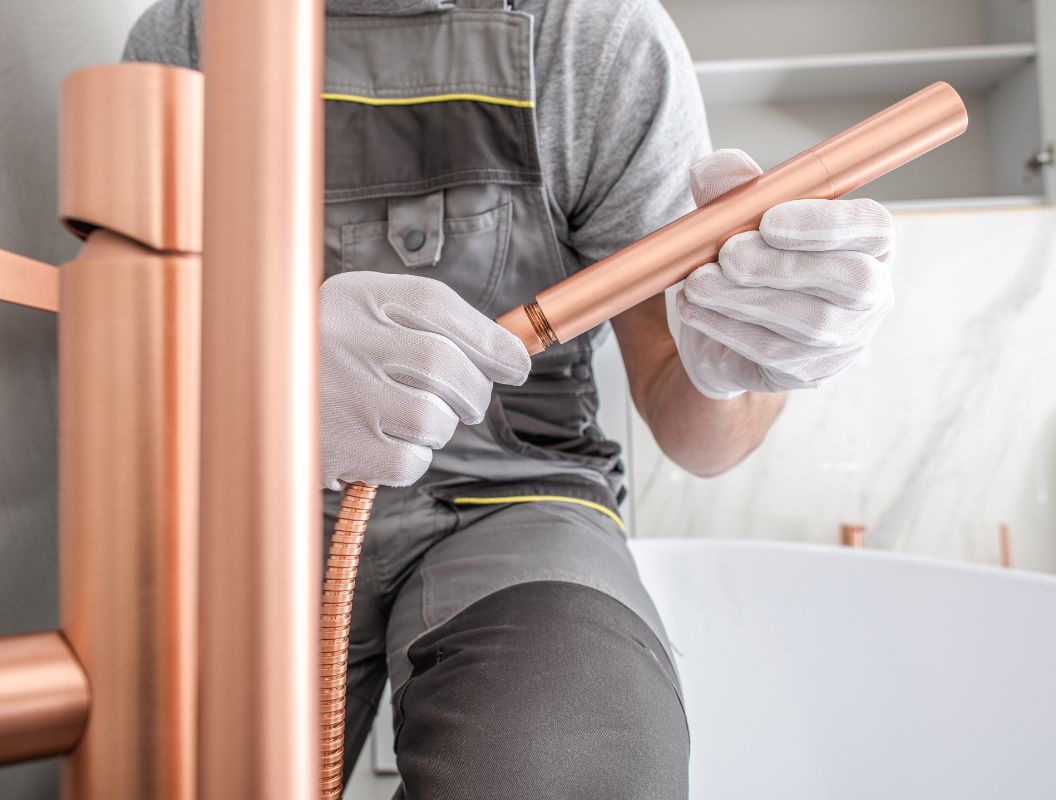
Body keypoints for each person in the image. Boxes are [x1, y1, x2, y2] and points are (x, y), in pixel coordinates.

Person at [124, 1, 894, 797]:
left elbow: (697, 433)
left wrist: (736, 365)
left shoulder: (597, 43)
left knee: (568, 750)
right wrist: (257, 368)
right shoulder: (188, 37)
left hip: (519, 498)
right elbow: (125, 359)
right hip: (261, 501)